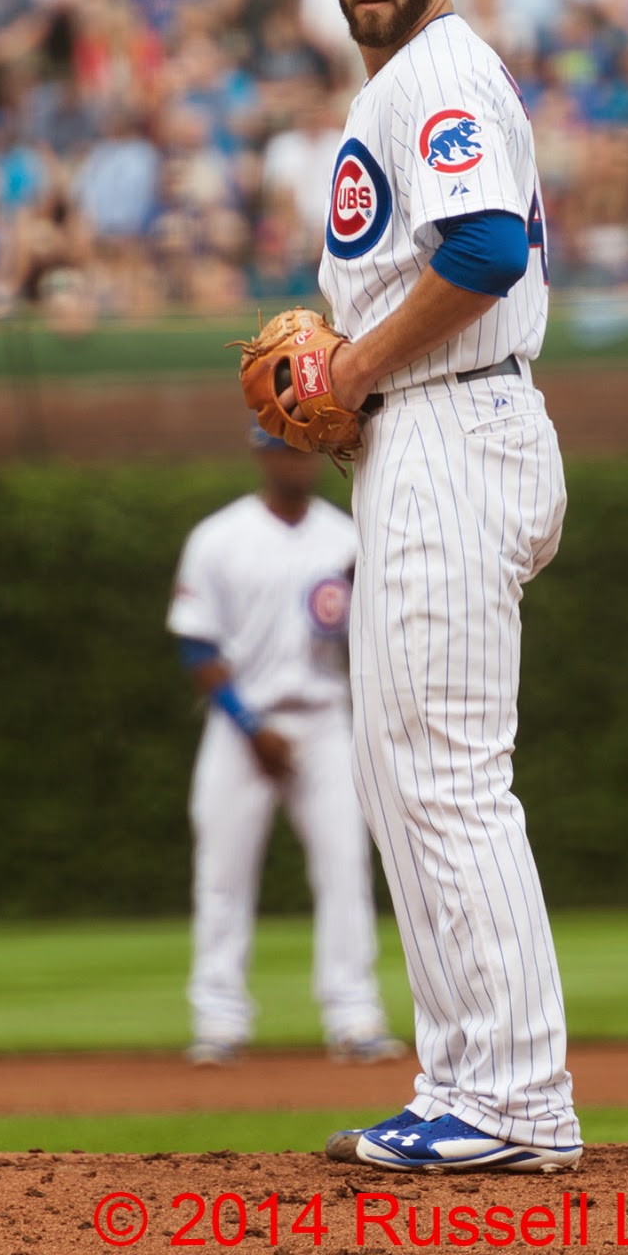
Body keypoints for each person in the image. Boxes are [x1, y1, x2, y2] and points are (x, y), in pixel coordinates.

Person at [295, 0, 582, 1172]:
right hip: (432, 432)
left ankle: (515, 1099)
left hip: (451, 423)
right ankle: (464, 1080)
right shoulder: (404, 84)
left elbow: (481, 250)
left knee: (446, 778)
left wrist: (349, 366)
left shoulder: (442, 74)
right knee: (404, 776)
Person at [166, 424, 404, 1068]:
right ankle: (218, 1021)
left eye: (305, 449)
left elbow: (372, 637)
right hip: (242, 722)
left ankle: (354, 1016)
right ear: (260, 453)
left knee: (345, 867)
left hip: (326, 721)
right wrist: (249, 724)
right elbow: (196, 643)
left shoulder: (348, 536)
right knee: (222, 875)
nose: (297, 462)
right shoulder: (219, 537)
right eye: (283, 448)